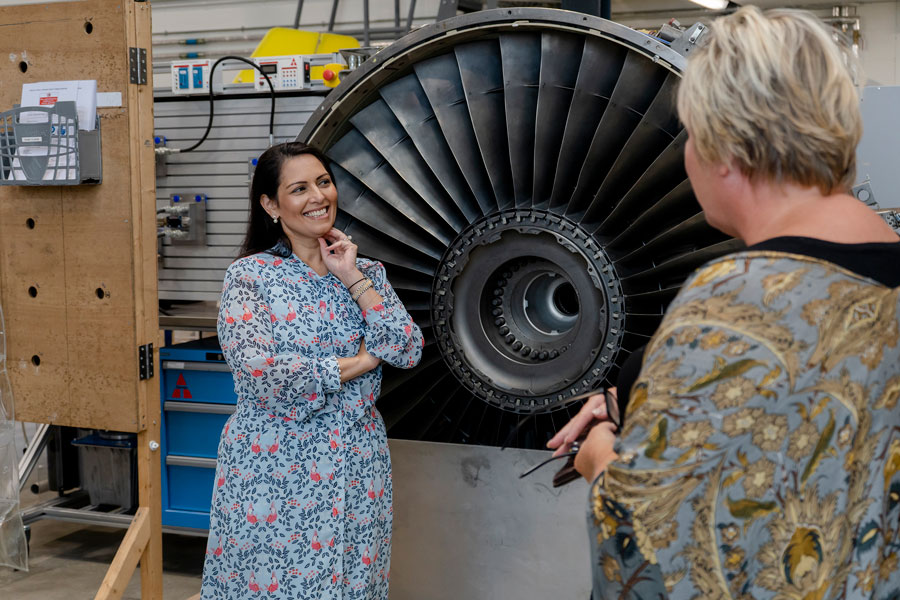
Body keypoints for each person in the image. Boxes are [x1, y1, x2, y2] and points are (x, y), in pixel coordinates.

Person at [549, 7, 900, 599]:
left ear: (726, 149)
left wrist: (602, 464)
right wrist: (633, 396)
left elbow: (655, 549)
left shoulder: (734, 305)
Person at [201, 141, 424, 599]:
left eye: (323, 183)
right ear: (270, 205)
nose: (318, 197)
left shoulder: (367, 273)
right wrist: (361, 361)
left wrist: (352, 278)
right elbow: (260, 370)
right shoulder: (250, 277)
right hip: (275, 472)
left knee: (352, 587)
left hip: (358, 467)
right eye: (299, 188)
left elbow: (405, 347)